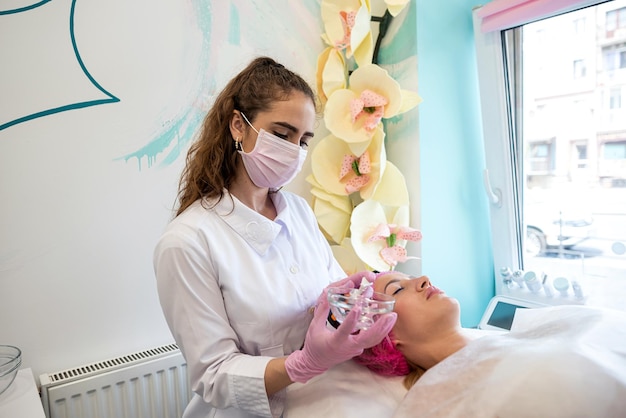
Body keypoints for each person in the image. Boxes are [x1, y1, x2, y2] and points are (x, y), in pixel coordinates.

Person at [153, 56, 396, 418]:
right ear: (239, 125)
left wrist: (343, 298)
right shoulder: (187, 242)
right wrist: (301, 364)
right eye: (282, 135)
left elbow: (324, 305)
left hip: (319, 402)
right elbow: (214, 375)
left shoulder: (297, 211)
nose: (294, 151)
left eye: (303, 141)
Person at [354, 271, 626, 417]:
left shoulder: (521, 339)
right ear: (386, 335)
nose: (424, 279)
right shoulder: (435, 401)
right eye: (398, 289)